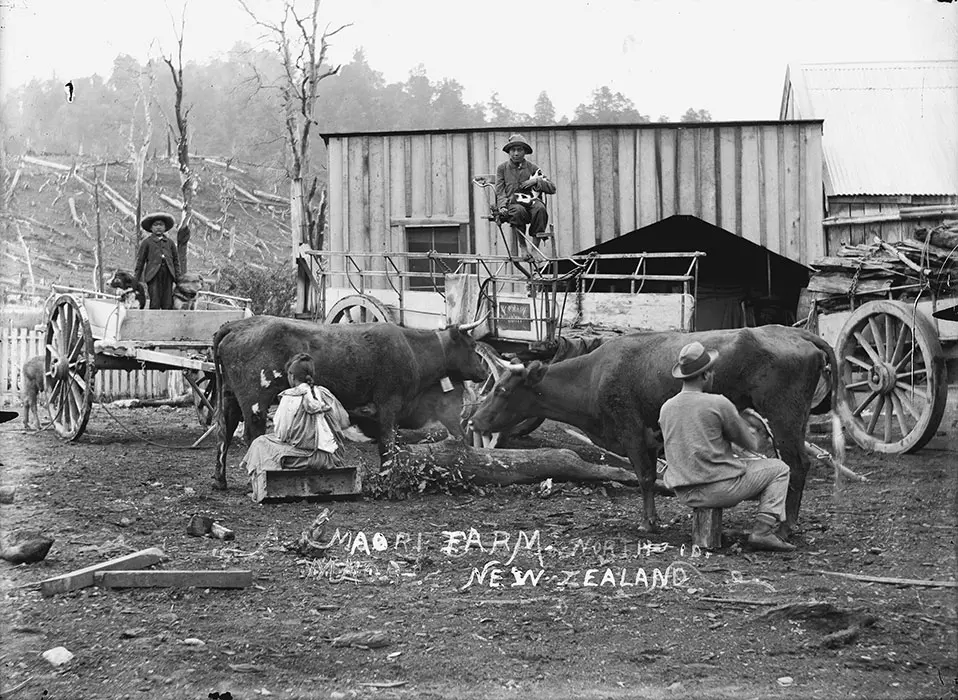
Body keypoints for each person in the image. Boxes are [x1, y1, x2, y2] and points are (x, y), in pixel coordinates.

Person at [658, 341, 796, 552]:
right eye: (711, 372)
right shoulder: (717, 403)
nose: (713, 375)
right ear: (704, 375)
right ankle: (763, 531)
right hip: (716, 489)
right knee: (779, 469)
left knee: (743, 468)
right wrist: (757, 430)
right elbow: (751, 444)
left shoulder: (666, 408)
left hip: (683, 490)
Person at [241, 353, 356, 477]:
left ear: (291, 376)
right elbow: (344, 421)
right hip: (331, 457)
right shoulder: (325, 394)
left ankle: (262, 484)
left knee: (260, 443)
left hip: (307, 459)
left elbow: (282, 433)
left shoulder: (291, 396)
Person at [495, 133, 556, 256]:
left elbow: (552, 188)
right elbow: (500, 191)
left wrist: (536, 181)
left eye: (519, 150)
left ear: (525, 152)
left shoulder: (533, 168)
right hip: (513, 203)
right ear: (509, 152)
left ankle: (535, 248)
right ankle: (523, 247)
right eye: (513, 150)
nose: (516, 153)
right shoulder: (502, 168)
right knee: (518, 211)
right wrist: (502, 206)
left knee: (540, 209)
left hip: (531, 202)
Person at [134, 212, 180, 310]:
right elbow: (140, 262)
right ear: (151, 228)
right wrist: (135, 279)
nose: (158, 227)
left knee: (168, 302)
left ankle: (166, 323)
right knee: (155, 301)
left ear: (165, 228)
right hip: (153, 275)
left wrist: (178, 278)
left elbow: (176, 261)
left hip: (168, 275)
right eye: (155, 225)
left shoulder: (170, 243)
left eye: (161, 225)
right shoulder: (147, 242)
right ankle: (154, 323)